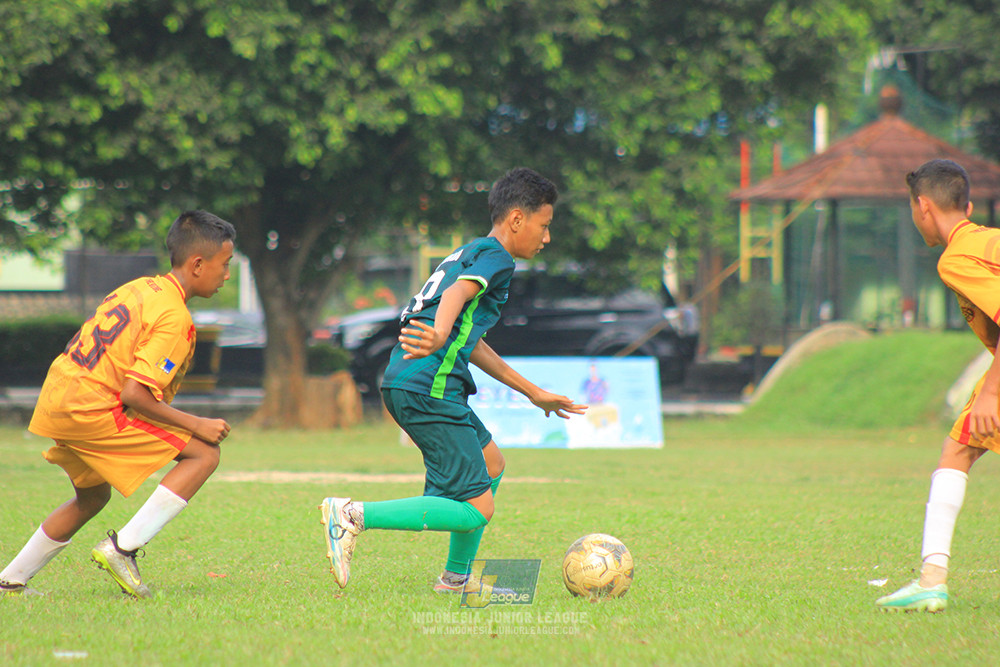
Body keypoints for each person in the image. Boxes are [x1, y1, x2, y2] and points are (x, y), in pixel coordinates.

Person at [319, 167, 588, 592]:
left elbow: (472, 342)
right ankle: (352, 515)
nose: (547, 237)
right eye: (545, 225)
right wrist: (441, 333)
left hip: (416, 380)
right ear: (517, 219)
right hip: (428, 386)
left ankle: (456, 578)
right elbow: (455, 294)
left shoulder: (473, 250)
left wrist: (533, 392)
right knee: (478, 508)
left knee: (493, 464)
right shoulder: (497, 259)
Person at [0, 210, 235, 598]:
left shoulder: (140, 288)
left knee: (93, 496)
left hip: (59, 395)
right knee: (204, 454)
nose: (226, 275)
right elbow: (134, 394)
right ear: (197, 265)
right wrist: (197, 424)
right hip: (92, 408)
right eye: (224, 264)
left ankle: (10, 580)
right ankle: (123, 550)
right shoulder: (175, 316)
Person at [877, 159, 998, 612]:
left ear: (923, 206)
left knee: (956, 453)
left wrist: (991, 393)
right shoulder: (990, 240)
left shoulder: (958, 258)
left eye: (912, 208)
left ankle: (932, 580)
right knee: (958, 450)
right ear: (967, 206)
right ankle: (931, 579)